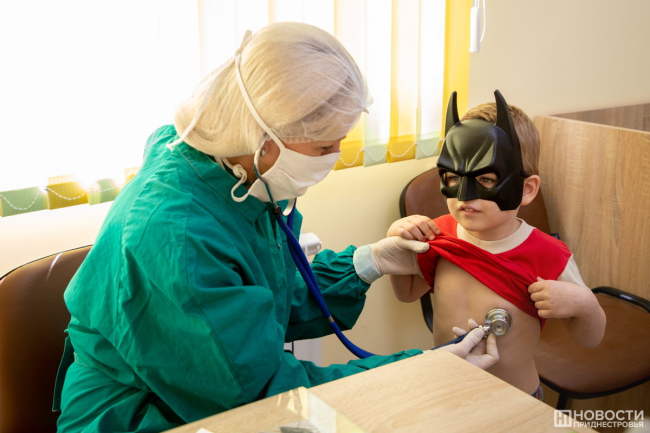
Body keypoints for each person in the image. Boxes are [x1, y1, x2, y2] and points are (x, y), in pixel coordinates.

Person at [54, 23, 499, 432]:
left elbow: (265, 296)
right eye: (324, 147)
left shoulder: (232, 174)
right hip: (137, 417)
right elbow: (265, 397)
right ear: (262, 135)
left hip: (197, 396)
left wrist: (367, 262)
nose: (335, 157)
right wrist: (420, 373)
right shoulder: (179, 238)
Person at [388, 90, 606, 401]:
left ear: (526, 189)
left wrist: (586, 304)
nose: (464, 195)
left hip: (516, 400)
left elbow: (590, 340)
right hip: (449, 392)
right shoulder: (438, 235)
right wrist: (397, 244)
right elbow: (407, 293)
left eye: (486, 180)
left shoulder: (549, 255)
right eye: (453, 177)